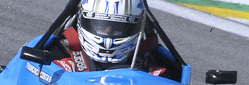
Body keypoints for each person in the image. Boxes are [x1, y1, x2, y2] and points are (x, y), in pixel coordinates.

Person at [50, 0, 180, 80]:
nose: (107, 31)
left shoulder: (156, 73)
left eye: (117, 27)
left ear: (137, 26)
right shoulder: (61, 64)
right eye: (100, 25)